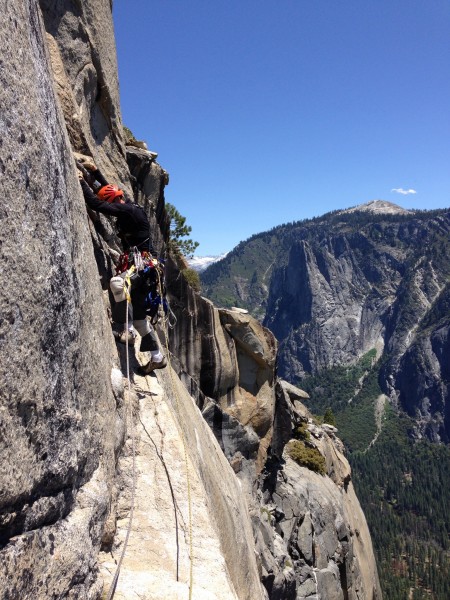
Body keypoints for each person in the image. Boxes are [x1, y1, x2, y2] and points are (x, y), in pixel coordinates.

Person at [77, 159, 167, 374]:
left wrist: (81, 182)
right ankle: (157, 357)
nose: (113, 208)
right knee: (139, 319)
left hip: (142, 264)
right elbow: (109, 193)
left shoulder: (128, 212)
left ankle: (125, 331)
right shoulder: (130, 208)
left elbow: (98, 204)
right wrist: (96, 173)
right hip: (146, 267)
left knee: (118, 283)